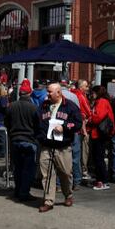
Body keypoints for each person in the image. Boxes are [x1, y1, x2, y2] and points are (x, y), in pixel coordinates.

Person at [37, 83, 82, 212]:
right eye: (48, 91)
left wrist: (65, 126)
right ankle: (48, 201)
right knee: (47, 175)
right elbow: (38, 122)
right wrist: (40, 137)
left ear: (59, 93)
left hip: (63, 146)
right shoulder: (44, 106)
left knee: (65, 173)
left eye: (50, 92)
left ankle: (68, 194)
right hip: (46, 145)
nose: (47, 94)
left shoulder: (70, 107)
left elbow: (78, 123)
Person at [5, 79, 40, 201]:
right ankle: (24, 192)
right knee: (28, 169)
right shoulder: (34, 108)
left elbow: (7, 123)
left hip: (15, 139)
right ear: (29, 93)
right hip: (29, 140)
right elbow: (38, 125)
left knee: (18, 167)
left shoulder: (11, 106)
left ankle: (18, 190)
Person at [87, 85, 115, 190]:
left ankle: (103, 181)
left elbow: (98, 117)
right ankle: (100, 179)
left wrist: (90, 118)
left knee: (99, 158)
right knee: (97, 158)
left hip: (99, 134)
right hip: (98, 133)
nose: (91, 94)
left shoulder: (102, 102)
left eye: (93, 92)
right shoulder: (102, 101)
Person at [72, 79, 92, 187]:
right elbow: (87, 111)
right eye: (86, 86)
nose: (87, 88)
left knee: (75, 153)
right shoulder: (80, 96)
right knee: (80, 153)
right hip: (82, 128)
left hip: (75, 127)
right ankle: (79, 176)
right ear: (80, 87)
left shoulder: (73, 94)